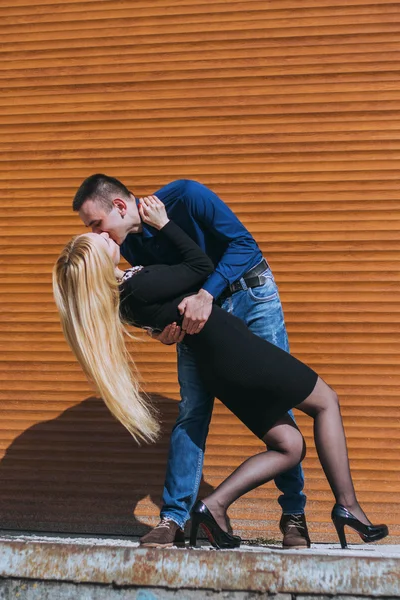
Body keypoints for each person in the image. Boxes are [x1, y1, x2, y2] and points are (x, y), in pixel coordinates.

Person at [53, 195, 388, 551]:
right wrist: (165, 224)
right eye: (98, 239)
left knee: (289, 446)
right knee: (326, 402)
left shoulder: (125, 294)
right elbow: (200, 265)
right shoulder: (138, 284)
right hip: (239, 352)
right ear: (95, 265)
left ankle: (214, 505)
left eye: (98, 230)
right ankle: (348, 507)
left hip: (219, 364)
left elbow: (159, 304)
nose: (106, 237)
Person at [72, 174, 310, 550]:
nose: (98, 234)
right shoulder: (128, 244)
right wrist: (158, 329)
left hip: (250, 295)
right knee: (193, 410)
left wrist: (205, 295)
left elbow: (244, 246)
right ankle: (174, 519)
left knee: (278, 399)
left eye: (96, 224)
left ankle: (294, 515)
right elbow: (159, 292)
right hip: (198, 321)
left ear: (119, 207)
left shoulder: (185, 197)